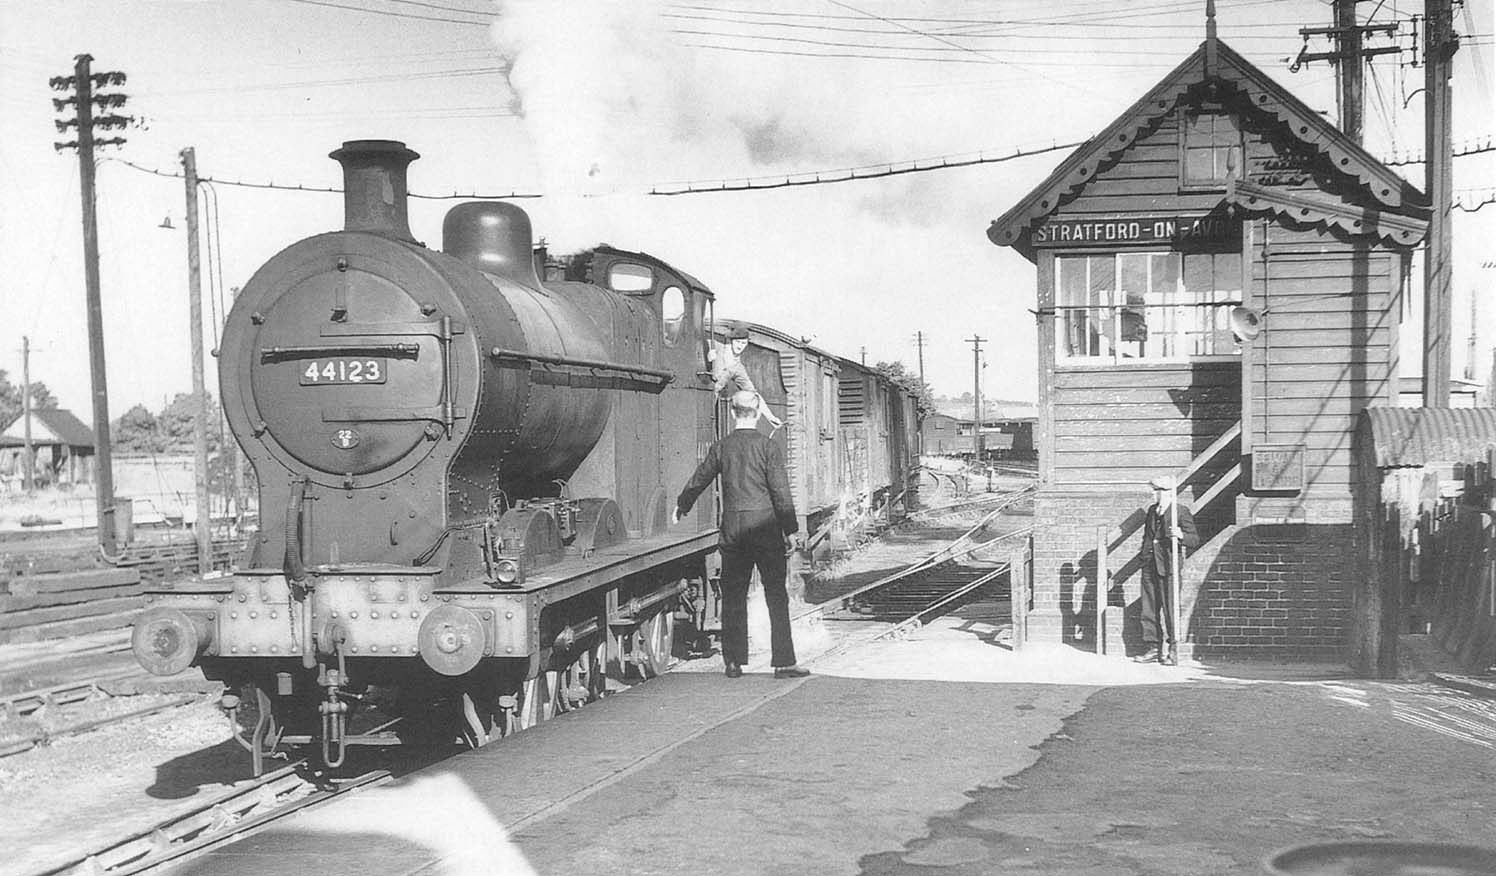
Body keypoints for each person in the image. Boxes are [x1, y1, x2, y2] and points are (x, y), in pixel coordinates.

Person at [672, 390, 808, 679]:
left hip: (733, 531)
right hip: (766, 530)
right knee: (776, 596)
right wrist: (791, 529)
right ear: (757, 413)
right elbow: (781, 493)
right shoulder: (768, 447)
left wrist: (682, 505)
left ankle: (733, 663)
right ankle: (784, 663)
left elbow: (700, 478)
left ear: (733, 413)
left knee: (733, 597)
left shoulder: (723, 447)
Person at [1135, 474, 1199, 666]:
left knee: (1171, 609)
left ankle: (1173, 649)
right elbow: (1147, 538)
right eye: (1154, 490)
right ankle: (1153, 648)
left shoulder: (1180, 511)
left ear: (1169, 492)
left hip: (1169, 567)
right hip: (1150, 566)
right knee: (1149, 610)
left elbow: (1194, 539)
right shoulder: (1152, 511)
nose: (1155, 494)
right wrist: (1144, 558)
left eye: (1159, 491)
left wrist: (1181, 535)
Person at [709, 326, 784, 431]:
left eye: (743, 343)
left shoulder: (737, 367)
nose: (740, 346)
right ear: (731, 341)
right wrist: (706, 358)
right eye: (738, 342)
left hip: (709, 406)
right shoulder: (715, 346)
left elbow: (754, 394)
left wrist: (770, 417)